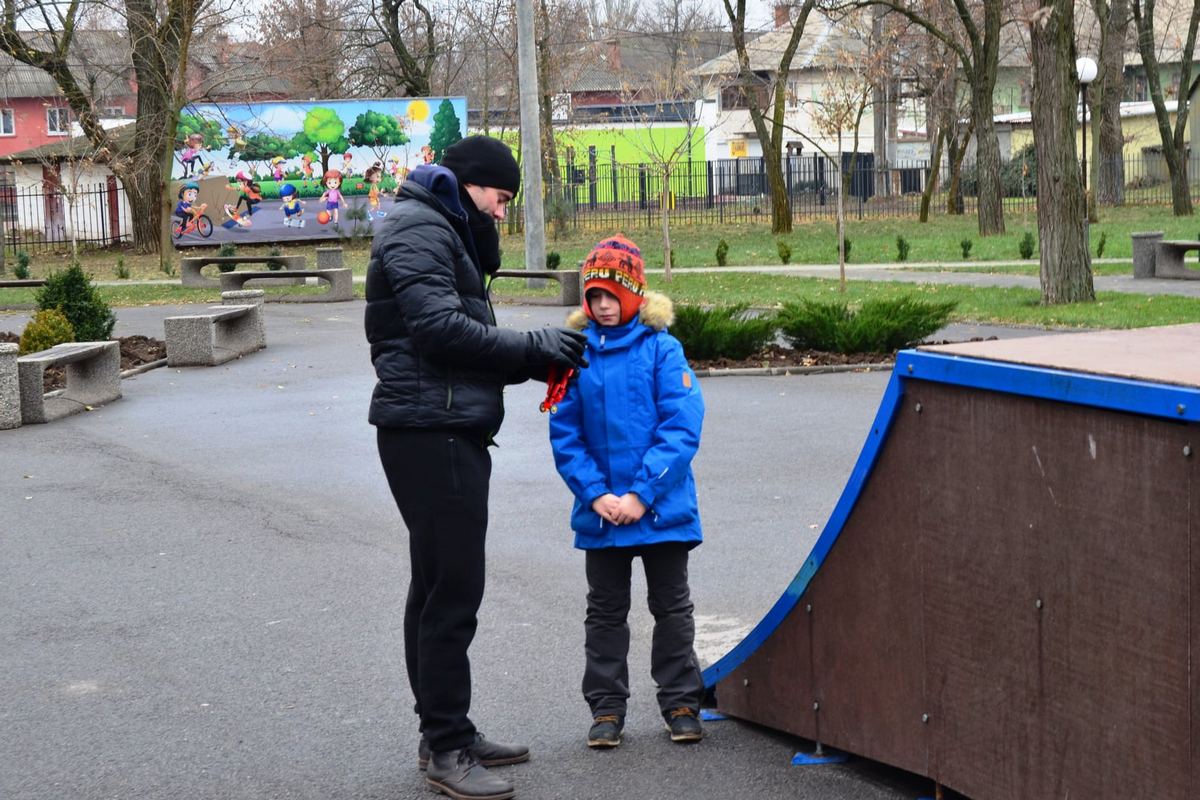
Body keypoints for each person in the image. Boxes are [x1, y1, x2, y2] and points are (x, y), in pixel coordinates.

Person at [365, 135, 589, 800]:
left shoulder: (438, 227)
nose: (502, 208)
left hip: (439, 422)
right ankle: (447, 749)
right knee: (453, 590)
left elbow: (455, 342)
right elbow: (438, 332)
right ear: (468, 181)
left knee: (436, 585)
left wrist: (536, 359)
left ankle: (445, 731)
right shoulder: (419, 229)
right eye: (500, 194)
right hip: (429, 429)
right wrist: (533, 345)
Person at [547, 235, 707, 749]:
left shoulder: (663, 348)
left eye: (612, 296)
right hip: (602, 514)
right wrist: (596, 495)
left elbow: (681, 427)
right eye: (594, 296)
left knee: (672, 609)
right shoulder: (575, 354)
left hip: (660, 511)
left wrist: (641, 494)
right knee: (606, 614)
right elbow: (565, 433)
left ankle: (682, 701)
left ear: (635, 294)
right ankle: (607, 709)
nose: (602, 306)